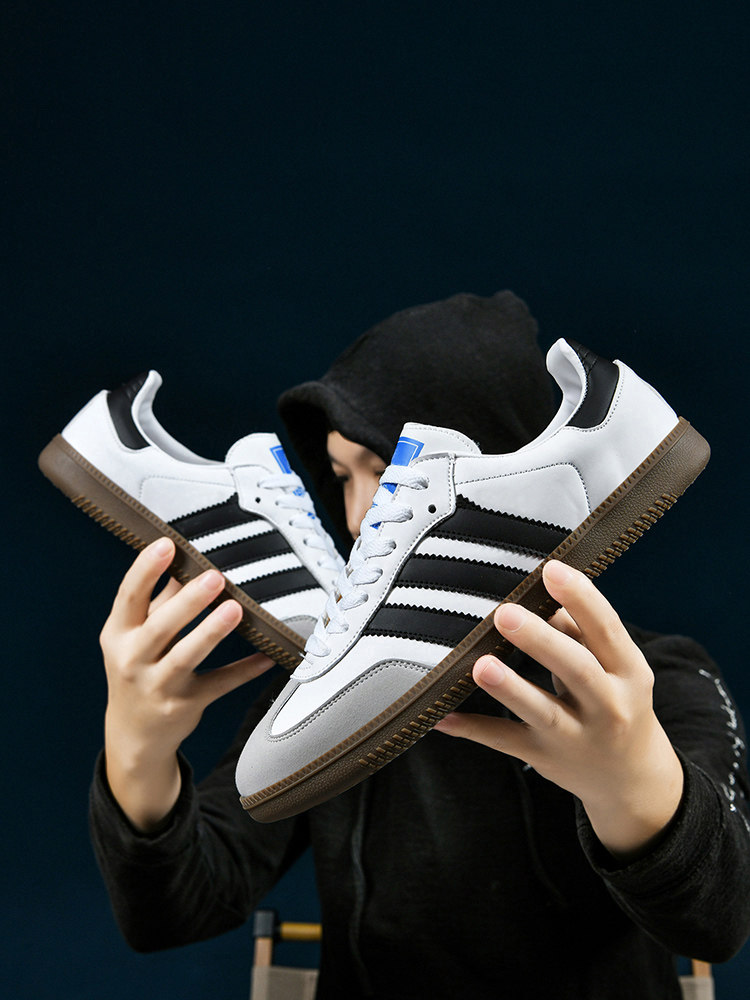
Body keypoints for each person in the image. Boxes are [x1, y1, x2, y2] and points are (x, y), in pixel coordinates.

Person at [90, 291, 750, 999]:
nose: (355, 515)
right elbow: (179, 909)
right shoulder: (332, 688)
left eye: (386, 473)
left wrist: (636, 787)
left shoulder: (658, 676)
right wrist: (137, 751)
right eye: (340, 478)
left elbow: (720, 919)